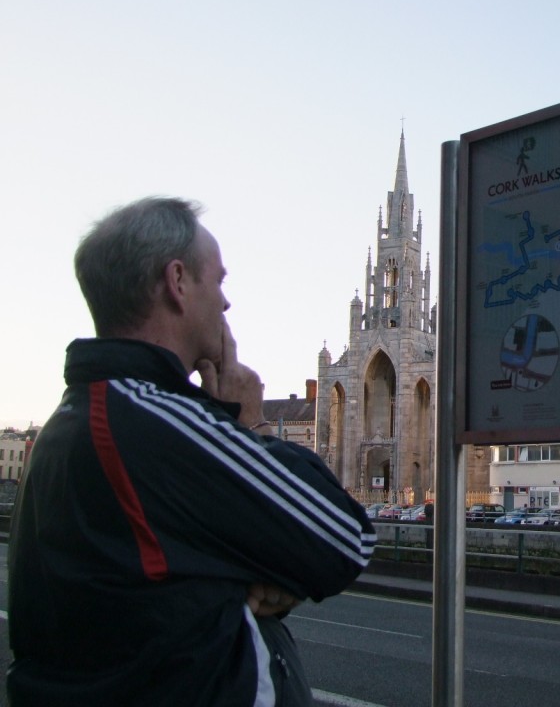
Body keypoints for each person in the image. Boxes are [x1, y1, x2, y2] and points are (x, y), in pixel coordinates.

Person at [7, 196, 376, 706]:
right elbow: (346, 537)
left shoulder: (71, 421)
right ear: (177, 282)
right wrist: (252, 420)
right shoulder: (154, 421)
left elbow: (157, 579)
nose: (226, 304)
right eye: (218, 281)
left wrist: (244, 577)